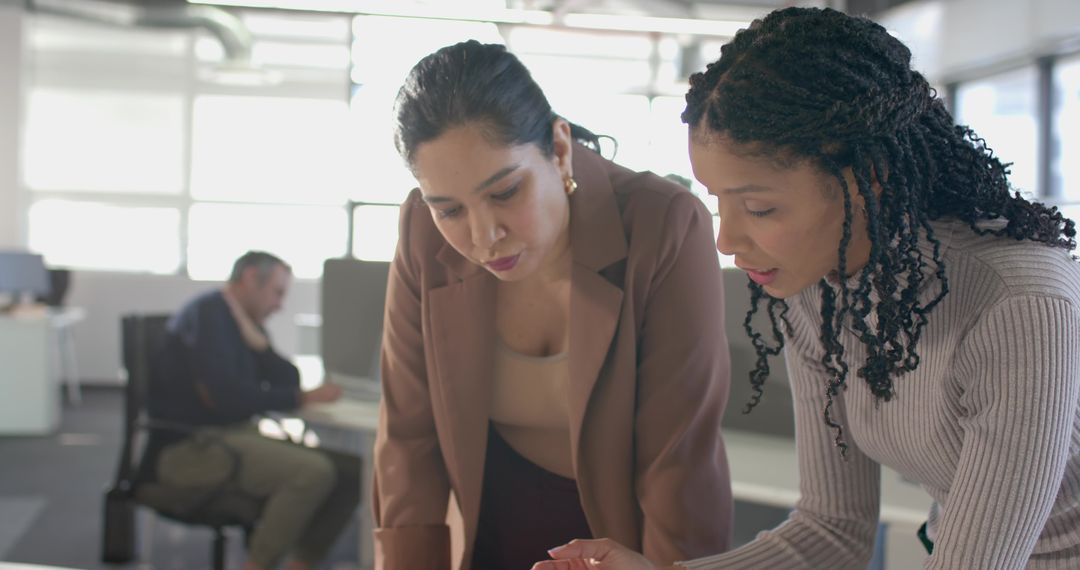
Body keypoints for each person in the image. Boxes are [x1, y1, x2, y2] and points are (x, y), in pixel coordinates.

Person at [535, 7, 1080, 570]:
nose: (727, 239)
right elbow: (833, 528)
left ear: (866, 179)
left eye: (760, 207)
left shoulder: (1018, 301)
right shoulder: (817, 285)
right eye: (718, 200)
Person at [373, 40, 734, 570]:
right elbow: (408, 436)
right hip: (485, 532)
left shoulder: (663, 226)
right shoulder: (421, 232)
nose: (483, 236)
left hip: (621, 546)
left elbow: (677, 459)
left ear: (559, 149)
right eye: (449, 210)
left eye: (504, 193)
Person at [146, 250, 361, 570]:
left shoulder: (238, 321)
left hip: (230, 436)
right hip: (191, 448)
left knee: (353, 471)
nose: (279, 305)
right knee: (311, 472)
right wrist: (298, 398)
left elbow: (288, 377)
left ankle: (300, 564)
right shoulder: (208, 316)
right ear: (249, 279)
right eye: (276, 292)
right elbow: (226, 399)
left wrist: (260, 345)